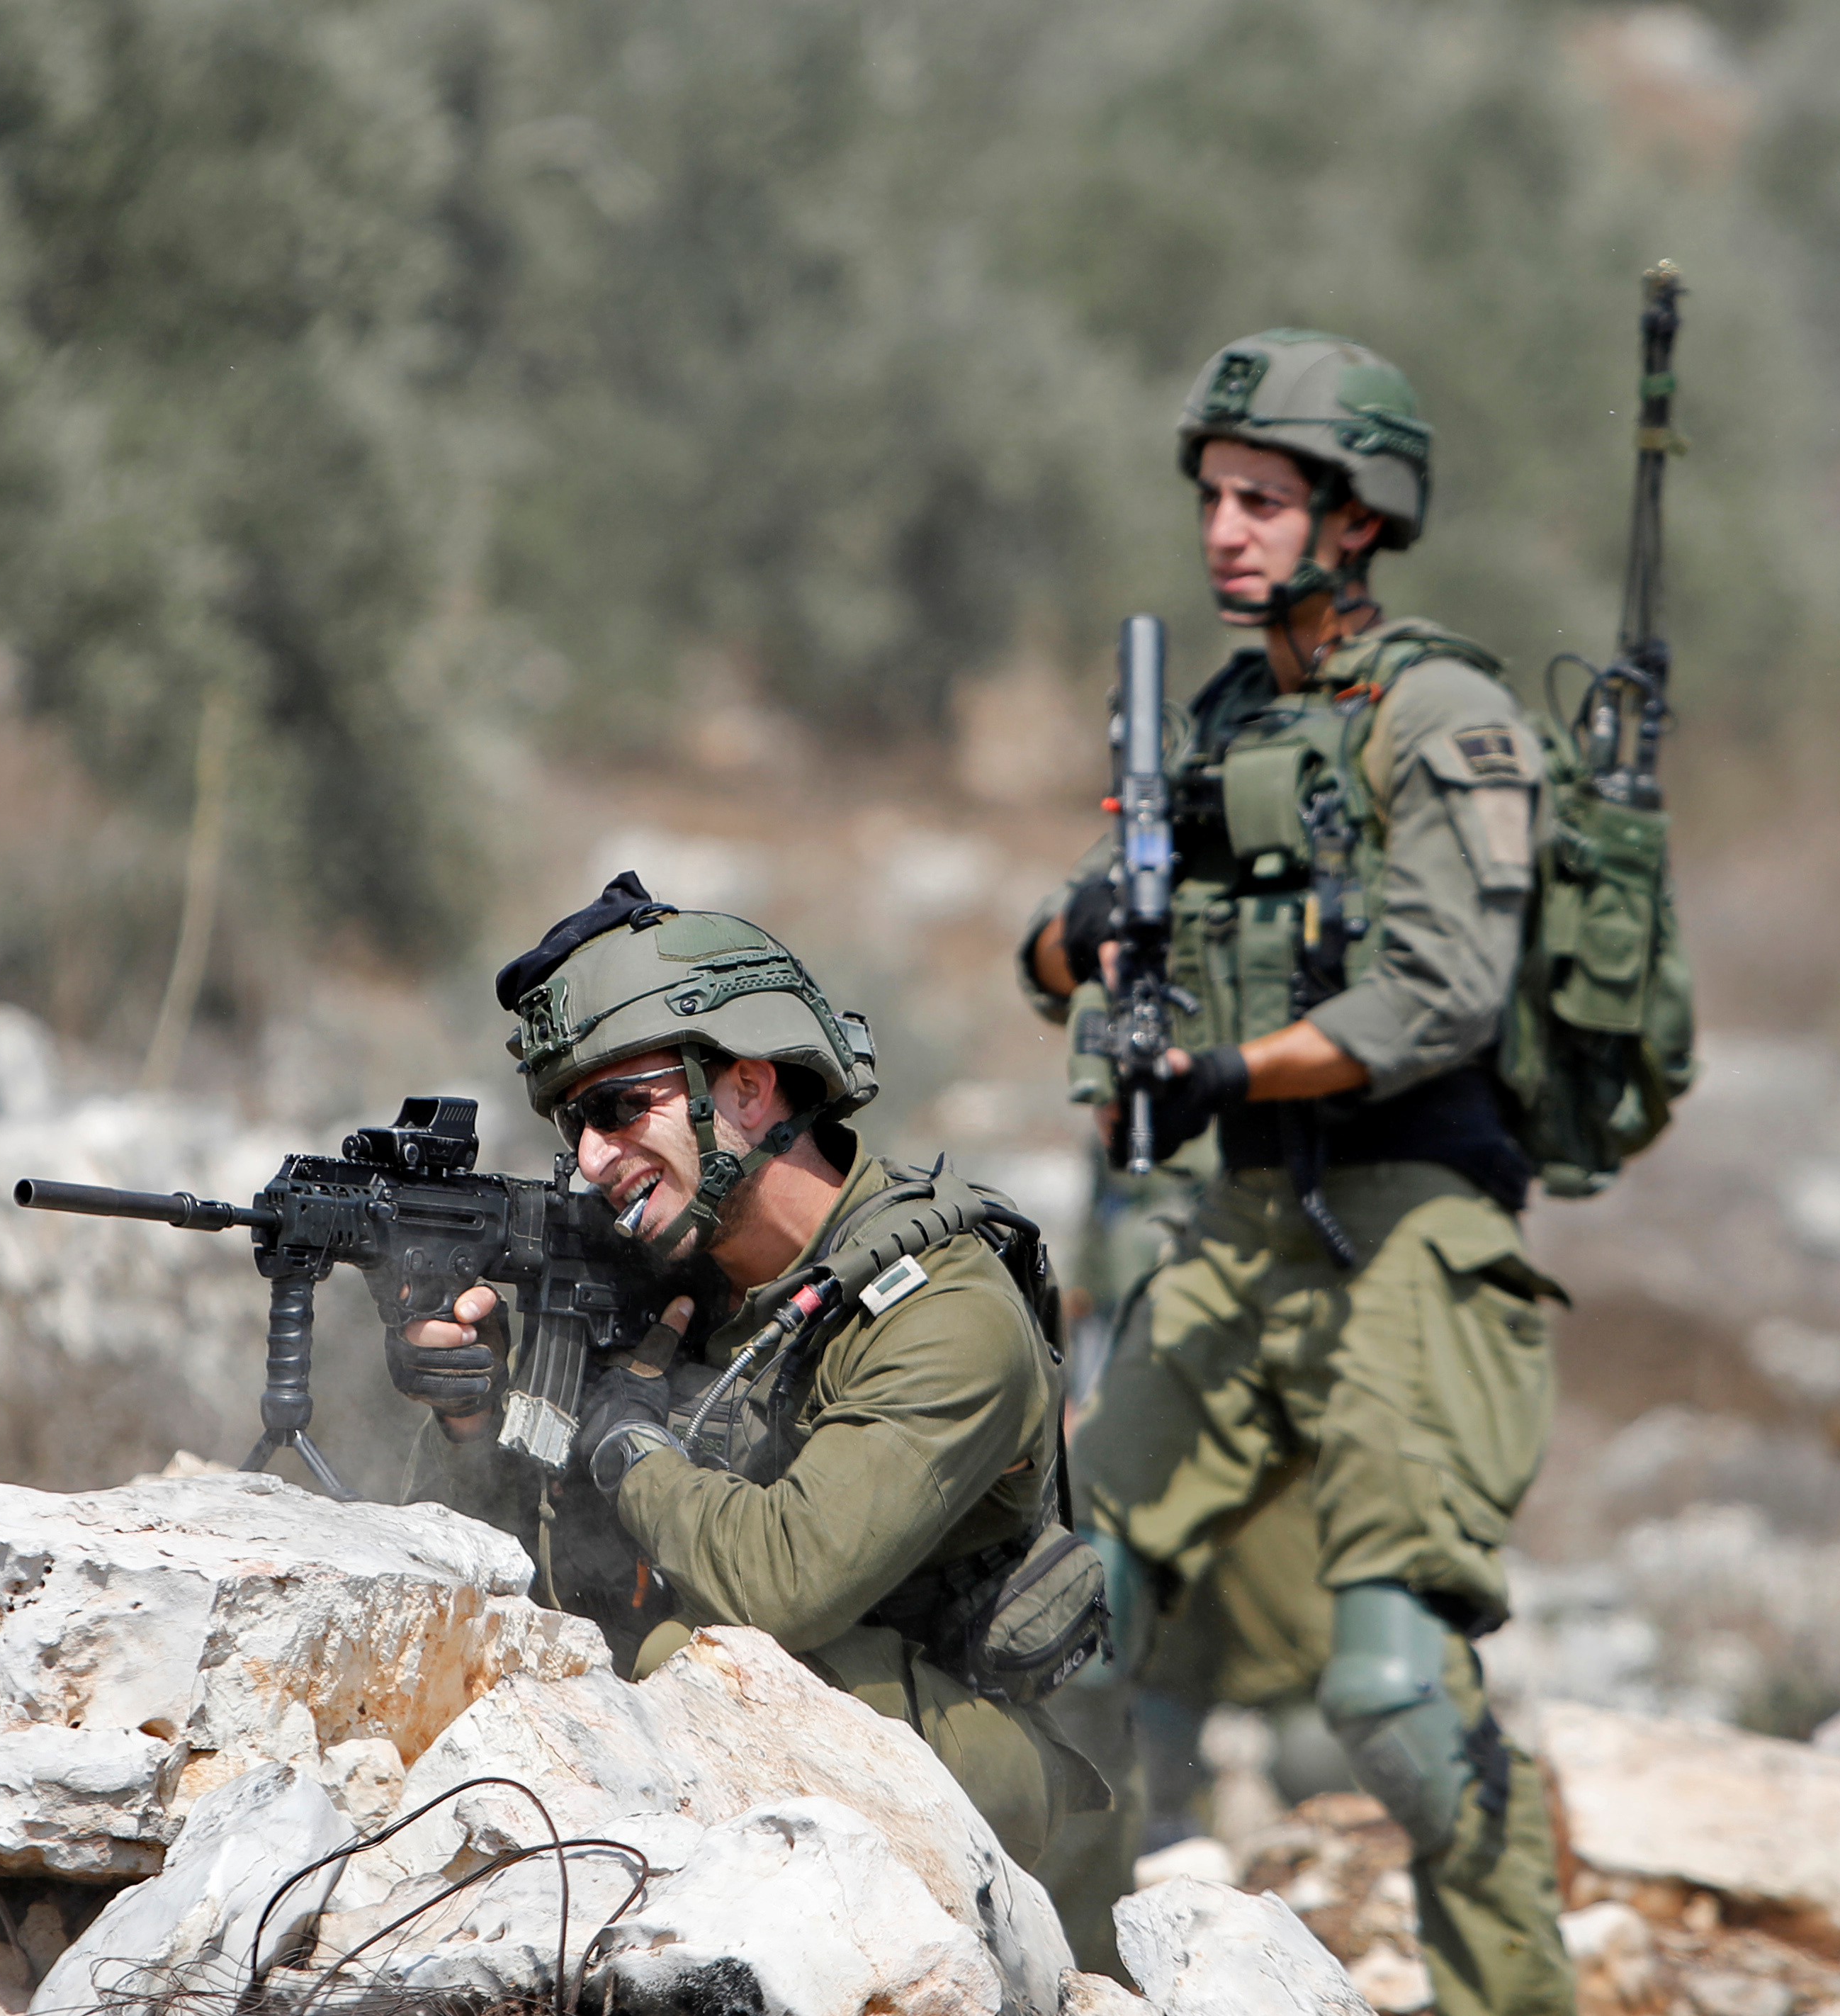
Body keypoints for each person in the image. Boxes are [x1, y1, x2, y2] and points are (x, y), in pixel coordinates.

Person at [1020, 330, 1571, 2014]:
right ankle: (1064, 1970)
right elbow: (1057, 955)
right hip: (1240, 1224)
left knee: (1393, 1697)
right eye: (1213, 496)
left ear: (1359, 517)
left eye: (1262, 499)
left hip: (1410, 1225)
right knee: (1059, 1619)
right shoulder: (1222, 722)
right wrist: (1078, 935)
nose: (1224, 529)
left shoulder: (1444, 718)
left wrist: (1225, 1070)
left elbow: (1441, 993)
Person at [390, 874, 1105, 1869]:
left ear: (747, 1087)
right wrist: (475, 1423)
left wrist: (625, 1444)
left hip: (971, 1797)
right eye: (572, 1125)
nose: (591, 1157)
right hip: (762, 1766)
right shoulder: (669, 1277)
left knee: (688, 1658)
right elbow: (509, 1573)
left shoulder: (943, 1310)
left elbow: (784, 1585)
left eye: (619, 1107)